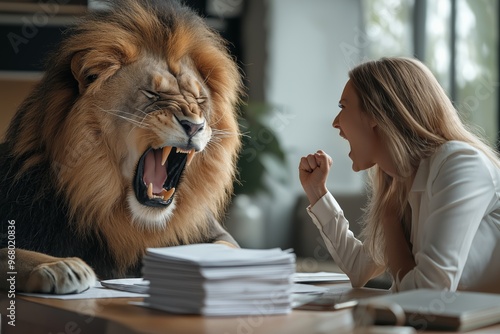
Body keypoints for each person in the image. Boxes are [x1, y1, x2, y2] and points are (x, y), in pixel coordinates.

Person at [299, 56, 500, 293]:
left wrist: (390, 221)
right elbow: (359, 268)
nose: (336, 122)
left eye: (343, 106)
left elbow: (428, 292)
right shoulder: (402, 180)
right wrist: (317, 192)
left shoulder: (460, 164)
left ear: (376, 113)